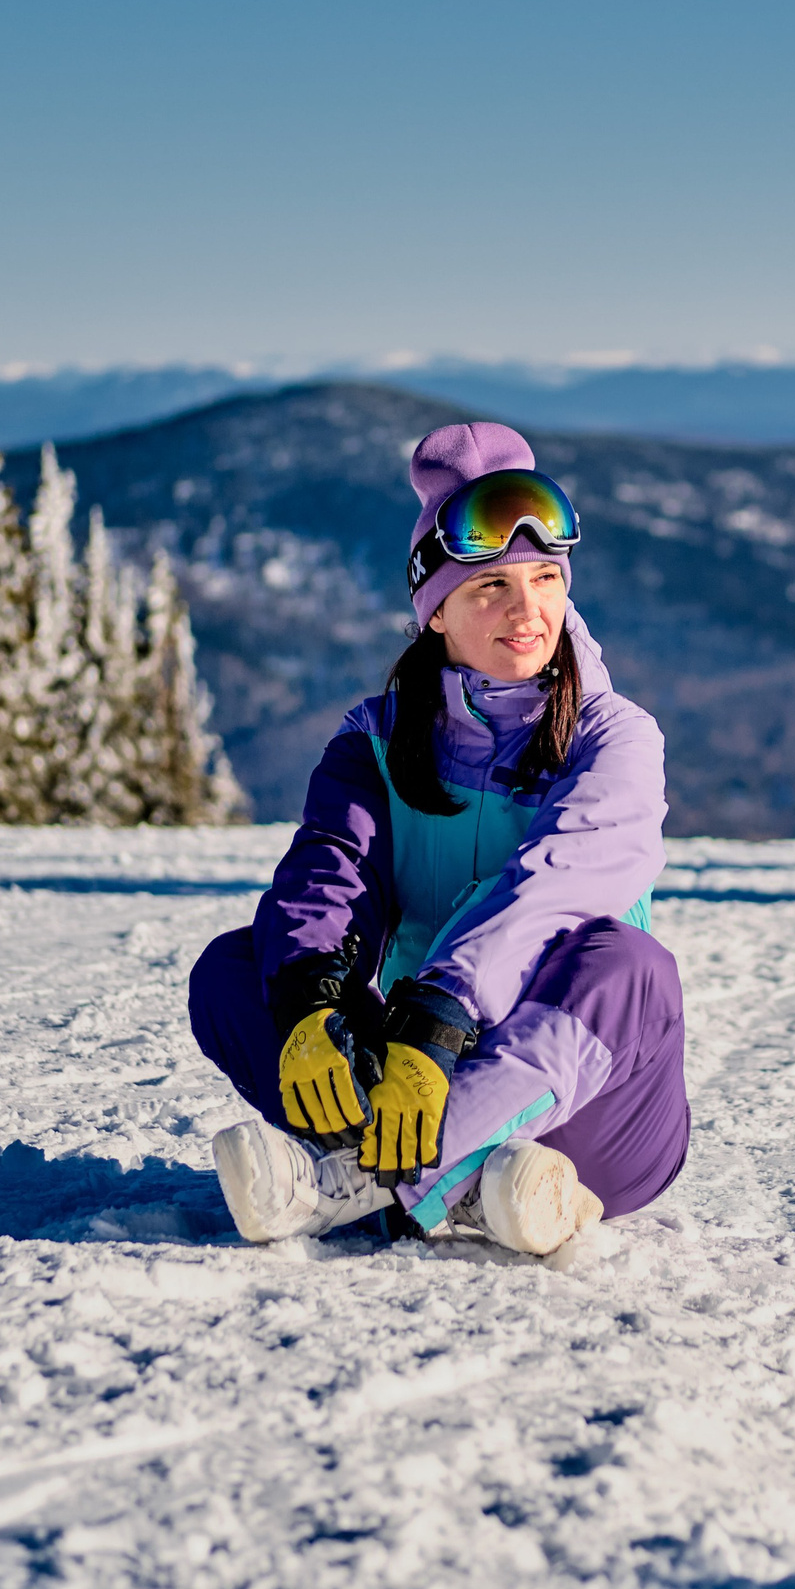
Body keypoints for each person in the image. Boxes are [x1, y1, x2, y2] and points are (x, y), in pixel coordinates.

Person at [187, 421, 685, 1256]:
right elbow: (328, 874)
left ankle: (360, 1183)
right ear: (436, 612)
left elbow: (554, 886)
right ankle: (482, 1191)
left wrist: (442, 1013)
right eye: (489, 586)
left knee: (631, 967)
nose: (528, 611)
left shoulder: (615, 737)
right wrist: (316, 999)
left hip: (592, 1113)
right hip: (418, 1074)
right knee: (243, 967)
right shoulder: (376, 741)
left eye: (546, 579)